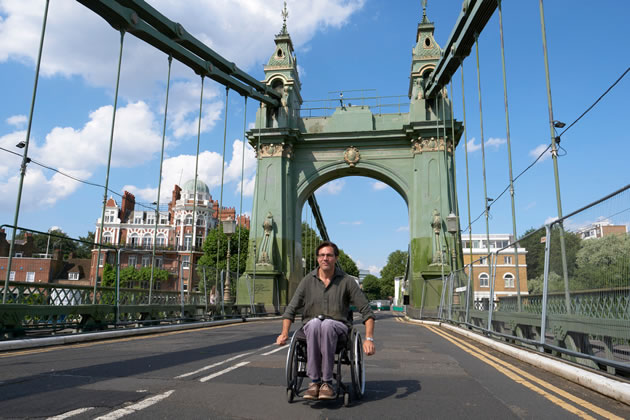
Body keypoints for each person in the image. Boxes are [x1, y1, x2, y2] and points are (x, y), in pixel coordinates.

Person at [276, 241, 375, 400]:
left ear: (336, 258)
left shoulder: (347, 281)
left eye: (329, 255)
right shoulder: (307, 281)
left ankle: (327, 382)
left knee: (327, 324)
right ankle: (315, 382)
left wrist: (369, 338)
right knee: (315, 323)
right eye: (322, 255)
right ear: (317, 259)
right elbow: (291, 309)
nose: (325, 258)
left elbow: (366, 311)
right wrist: (284, 333)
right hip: (312, 326)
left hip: (338, 327)